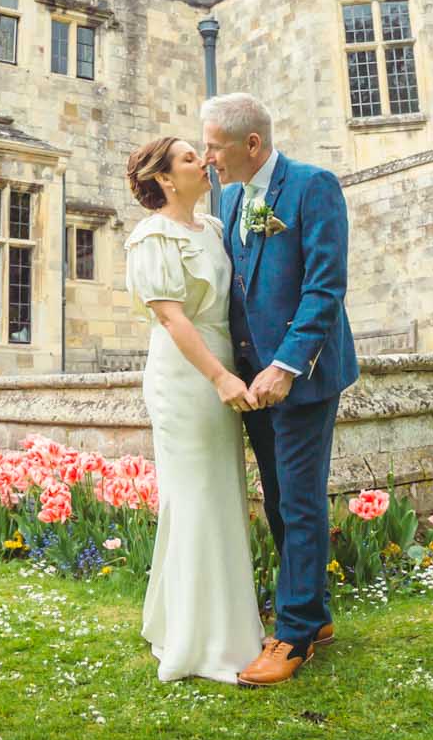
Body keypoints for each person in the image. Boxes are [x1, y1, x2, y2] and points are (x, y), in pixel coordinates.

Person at [200, 92, 360, 687]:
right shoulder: (236, 196)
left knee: (298, 501)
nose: (206, 156)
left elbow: (325, 287)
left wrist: (287, 365)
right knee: (277, 501)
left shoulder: (314, 187)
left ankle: (292, 635)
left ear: (251, 144)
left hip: (302, 379)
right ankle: (314, 614)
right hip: (251, 382)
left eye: (214, 146)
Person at [122, 136, 265, 684]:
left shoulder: (210, 228)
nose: (202, 163)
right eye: (188, 158)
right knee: (197, 496)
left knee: (221, 494)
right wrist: (221, 376)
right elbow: (173, 319)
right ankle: (198, 642)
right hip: (186, 375)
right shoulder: (150, 237)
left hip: (223, 359)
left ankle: (214, 626)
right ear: (163, 179)